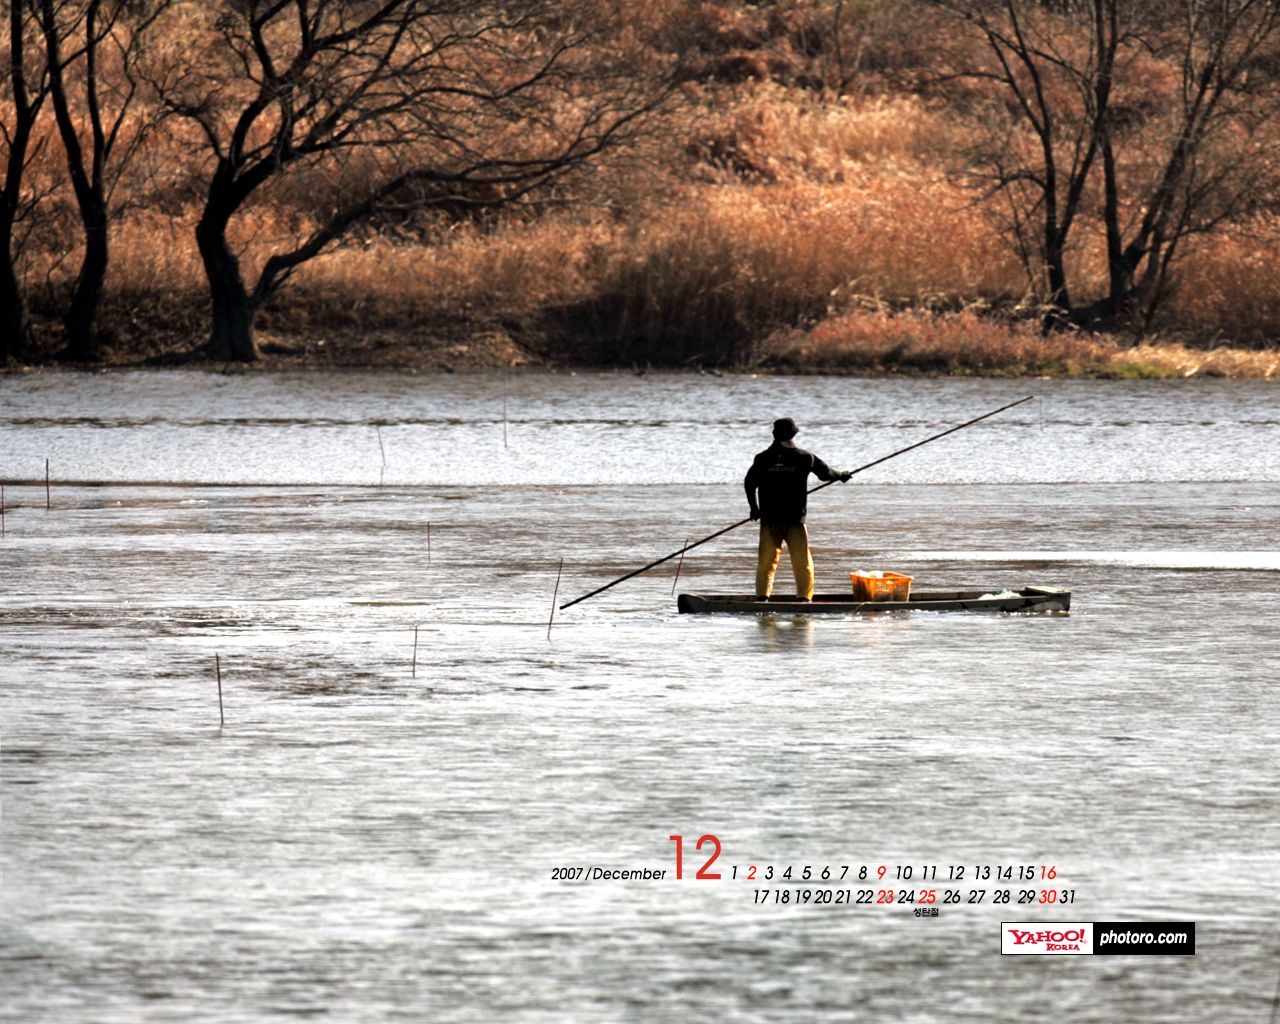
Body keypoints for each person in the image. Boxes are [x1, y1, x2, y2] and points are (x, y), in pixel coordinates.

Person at [744, 417, 851, 601]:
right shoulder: (804, 457)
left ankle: (762, 598)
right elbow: (826, 474)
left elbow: (749, 484)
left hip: (770, 519)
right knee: (802, 562)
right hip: (795, 520)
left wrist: (754, 509)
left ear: (774, 434)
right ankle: (804, 598)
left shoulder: (762, 458)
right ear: (793, 434)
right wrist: (842, 475)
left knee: (766, 562)